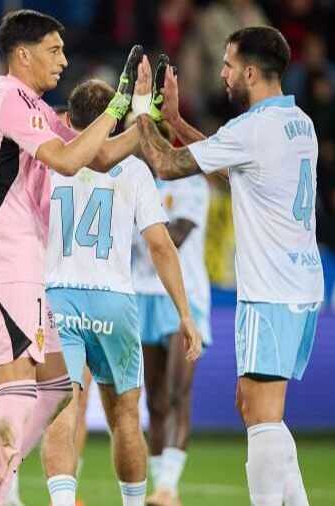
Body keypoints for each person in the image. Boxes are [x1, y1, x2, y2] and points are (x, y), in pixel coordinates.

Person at [0, 9, 147, 506]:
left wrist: (143, 118)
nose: (64, 60)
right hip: (6, 264)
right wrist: (117, 107)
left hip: (23, 268)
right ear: (23, 54)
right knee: (17, 390)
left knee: (58, 385)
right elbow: (67, 161)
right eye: (54, 50)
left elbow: (100, 156)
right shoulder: (10, 102)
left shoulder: (35, 109)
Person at [137, 26, 323, 506]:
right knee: (256, 405)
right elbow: (228, 164)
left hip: (270, 289)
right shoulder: (297, 122)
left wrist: (140, 111)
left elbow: (166, 165)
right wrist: (176, 118)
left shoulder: (251, 129)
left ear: (251, 72)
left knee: (260, 413)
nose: (221, 74)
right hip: (301, 284)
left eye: (226, 64)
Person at [41, 78, 202, 506]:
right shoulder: (133, 169)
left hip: (58, 297)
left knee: (62, 408)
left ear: (70, 119)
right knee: (126, 417)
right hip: (115, 299)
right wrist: (185, 313)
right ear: (113, 123)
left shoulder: (48, 162)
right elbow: (161, 245)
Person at [132, 143, 211, 506]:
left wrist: (137, 221)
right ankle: (161, 487)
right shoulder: (134, 178)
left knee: (180, 392)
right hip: (142, 292)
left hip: (183, 294)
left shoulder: (190, 183)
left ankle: (169, 486)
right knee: (156, 399)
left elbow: (174, 237)